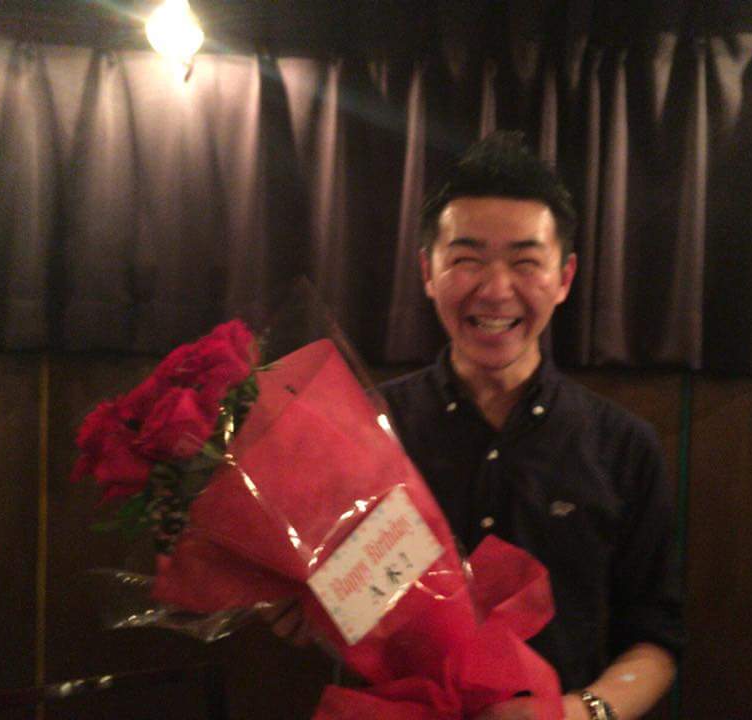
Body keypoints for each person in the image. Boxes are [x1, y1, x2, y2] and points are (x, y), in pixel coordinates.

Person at [263, 132, 685, 720]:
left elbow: (656, 637)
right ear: (427, 271)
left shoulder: (624, 447)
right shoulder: (362, 429)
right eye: (466, 260)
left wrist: (575, 714)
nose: (495, 290)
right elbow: (343, 605)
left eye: (525, 262)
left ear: (564, 278)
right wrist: (298, 604)